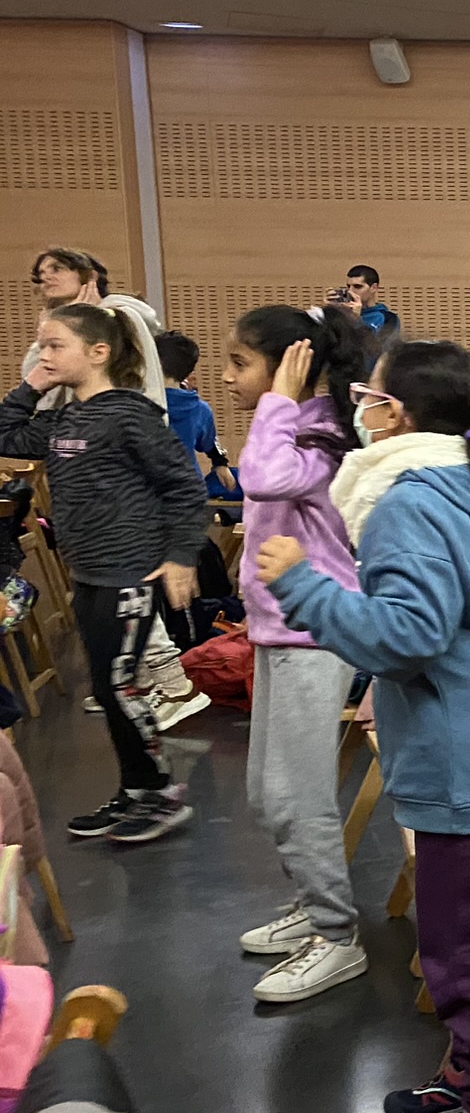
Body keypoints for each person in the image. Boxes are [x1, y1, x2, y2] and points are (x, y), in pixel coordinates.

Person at [256, 340, 470, 1113]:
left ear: (394, 414)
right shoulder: (468, 483)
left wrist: (304, 588)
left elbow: (410, 633)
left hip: (467, 758)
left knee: (465, 952)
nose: (360, 407)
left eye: (368, 394)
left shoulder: (406, 503)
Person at [0, 303, 210, 843]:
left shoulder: (129, 416)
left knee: (119, 685)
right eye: (41, 346)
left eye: (55, 346)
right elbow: (5, 435)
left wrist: (182, 557)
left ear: (99, 353)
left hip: (130, 573)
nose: (44, 355)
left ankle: (160, 794)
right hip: (91, 574)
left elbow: (185, 489)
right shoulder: (65, 419)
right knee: (106, 685)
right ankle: (136, 788)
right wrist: (32, 386)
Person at [222, 303, 375, 1004]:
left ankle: (337, 935)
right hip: (277, 631)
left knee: (298, 796)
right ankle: (314, 906)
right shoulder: (295, 427)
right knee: (267, 791)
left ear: (292, 365)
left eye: (240, 363)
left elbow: (261, 478)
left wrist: (280, 399)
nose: (229, 378)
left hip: (315, 636)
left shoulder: (320, 438)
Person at [154, 331, 234, 493]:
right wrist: (220, 463)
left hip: (147, 490)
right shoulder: (200, 409)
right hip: (189, 489)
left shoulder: (138, 403)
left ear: (155, 362)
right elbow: (210, 443)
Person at [343, 265, 401, 350]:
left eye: (358, 287)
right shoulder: (342, 315)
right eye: (348, 287)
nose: (350, 291)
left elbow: (378, 350)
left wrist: (356, 321)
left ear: (373, 288)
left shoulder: (388, 318)